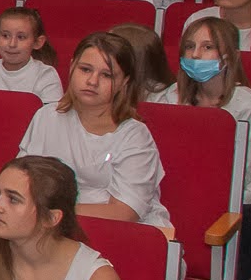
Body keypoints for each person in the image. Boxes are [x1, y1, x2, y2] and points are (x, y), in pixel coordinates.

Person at [159, 18, 251, 280]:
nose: (196, 55)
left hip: (238, 201)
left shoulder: (246, 103)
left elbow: (237, 173)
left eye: (207, 47)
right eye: (189, 47)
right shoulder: (169, 97)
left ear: (226, 56)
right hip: (182, 194)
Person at [17, 31, 168, 225]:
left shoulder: (134, 136)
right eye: (85, 69)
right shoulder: (47, 117)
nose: (92, 81)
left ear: (124, 82)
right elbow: (22, 179)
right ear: (72, 67)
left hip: (117, 232)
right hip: (50, 226)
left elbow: (125, 212)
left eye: (107, 75)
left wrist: (50, 212)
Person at [0, 6, 64, 103]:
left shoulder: (46, 76)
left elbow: (50, 116)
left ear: (38, 42)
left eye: (21, 37)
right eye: (5, 36)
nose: (12, 44)